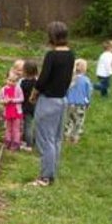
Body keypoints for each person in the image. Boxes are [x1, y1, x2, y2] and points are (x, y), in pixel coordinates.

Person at [30, 21, 76, 186]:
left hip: (48, 101)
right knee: (56, 139)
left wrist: (34, 94)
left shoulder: (52, 55)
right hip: (62, 100)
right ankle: (51, 172)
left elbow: (42, 80)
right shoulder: (71, 54)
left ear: (52, 36)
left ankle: (45, 177)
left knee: (46, 140)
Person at [65, 59, 93, 143]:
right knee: (79, 121)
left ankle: (66, 135)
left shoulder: (70, 79)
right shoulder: (86, 80)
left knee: (69, 120)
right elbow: (89, 92)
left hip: (69, 103)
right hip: (80, 103)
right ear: (84, 69)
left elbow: (66, 90)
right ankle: (75, 137)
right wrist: (88, 102)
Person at [0, 70, 24, 150]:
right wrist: (4, 101)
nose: (11, 82)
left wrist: (13, 100)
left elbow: (21, 98)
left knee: (16, 128)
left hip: (16, 112)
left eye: (14, 81)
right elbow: (1, 99)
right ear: (6, 79)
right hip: (7, 111)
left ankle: (15, 142)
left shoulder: (18, 89)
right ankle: (8, 140)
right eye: (9, 80)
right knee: (8, 127)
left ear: (17, 81)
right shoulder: (3, 89)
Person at [19, 60, 39, 151]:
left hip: (25, 106)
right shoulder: (37, 82)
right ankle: (28, 140)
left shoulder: (23, 82)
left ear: (25, 71)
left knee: (27, 125)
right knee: (30, 124)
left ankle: (28, 144)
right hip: (34, 106)